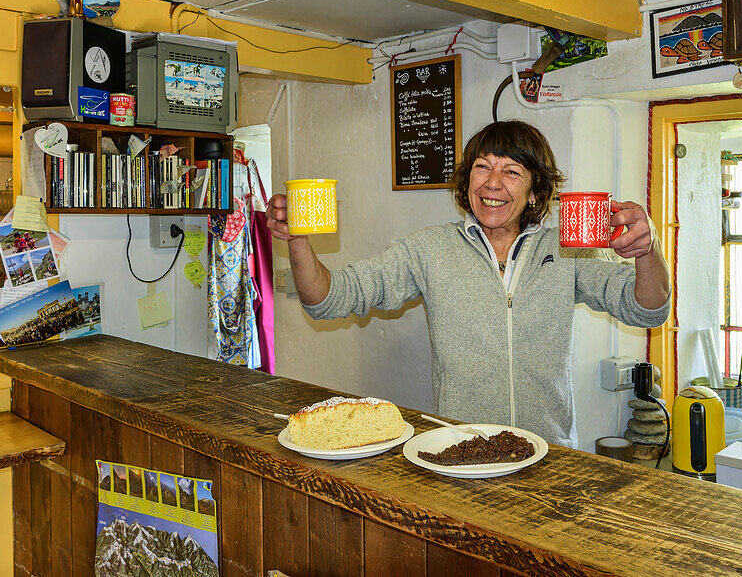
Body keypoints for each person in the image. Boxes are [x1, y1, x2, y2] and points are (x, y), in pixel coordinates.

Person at [266, 120, 671, 446]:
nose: (492, 183)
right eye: (482, 167)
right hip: (461, 449)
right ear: (467, 181)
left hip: (549, 453)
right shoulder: (429, 249)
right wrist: (297, 241)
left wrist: (647, 249)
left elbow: (648, 308)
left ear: (534, 193)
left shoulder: (568, 248)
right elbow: (330, 298)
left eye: (511, 171)